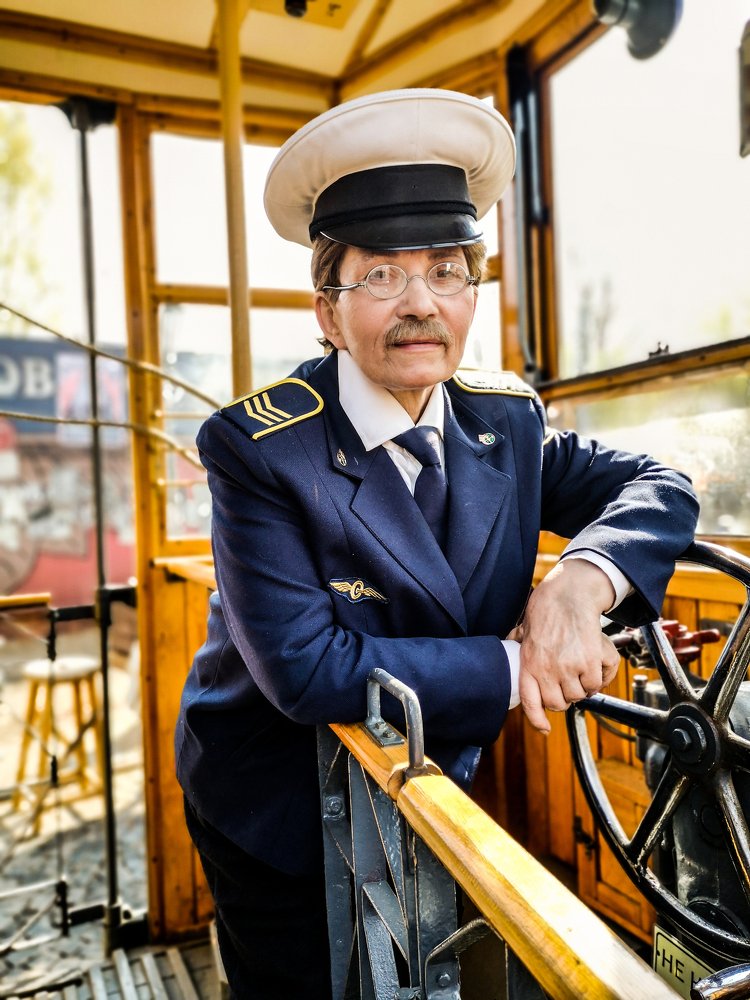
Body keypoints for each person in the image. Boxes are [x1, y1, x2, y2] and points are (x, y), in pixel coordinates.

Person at [175, 89, 698, 998]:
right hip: (274, 803)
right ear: (328, 309)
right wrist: (518, 667)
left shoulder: (507, 426)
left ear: (472, 291)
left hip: (426, 785)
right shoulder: (260, 451)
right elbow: (308, 669)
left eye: (447, 270)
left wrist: (580, 580)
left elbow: (662, 484)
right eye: (381, 275)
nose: (420, 305)